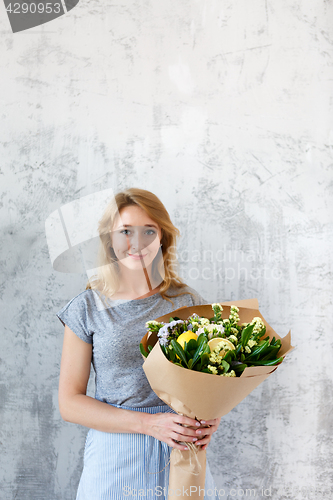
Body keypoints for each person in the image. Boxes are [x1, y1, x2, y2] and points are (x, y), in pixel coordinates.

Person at [57, 188, 221, 500]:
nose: (137, 242)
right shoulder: (86, 308)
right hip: (114, 452)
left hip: (181, 450)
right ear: (109, 239)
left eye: (149, 230)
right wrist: (150, 424)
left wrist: (211, 418)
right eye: (125, 231)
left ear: (163, 238)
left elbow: (212, 378)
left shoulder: (188, 302)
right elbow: (70, 403)